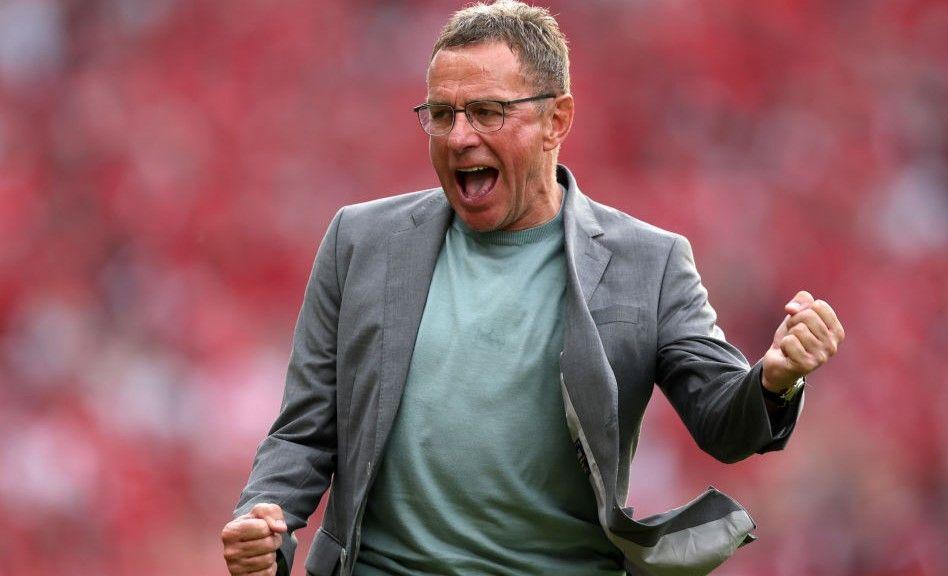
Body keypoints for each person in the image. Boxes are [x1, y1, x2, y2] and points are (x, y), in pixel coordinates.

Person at [220, 1, 845, 575]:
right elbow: (303, 430)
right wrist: (263, 521)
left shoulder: (649, 263)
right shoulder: (361, 241)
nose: (460, 135)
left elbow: (723, 424)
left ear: (557, 119)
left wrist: (774, 377)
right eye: (441, 114)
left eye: (488, 111)